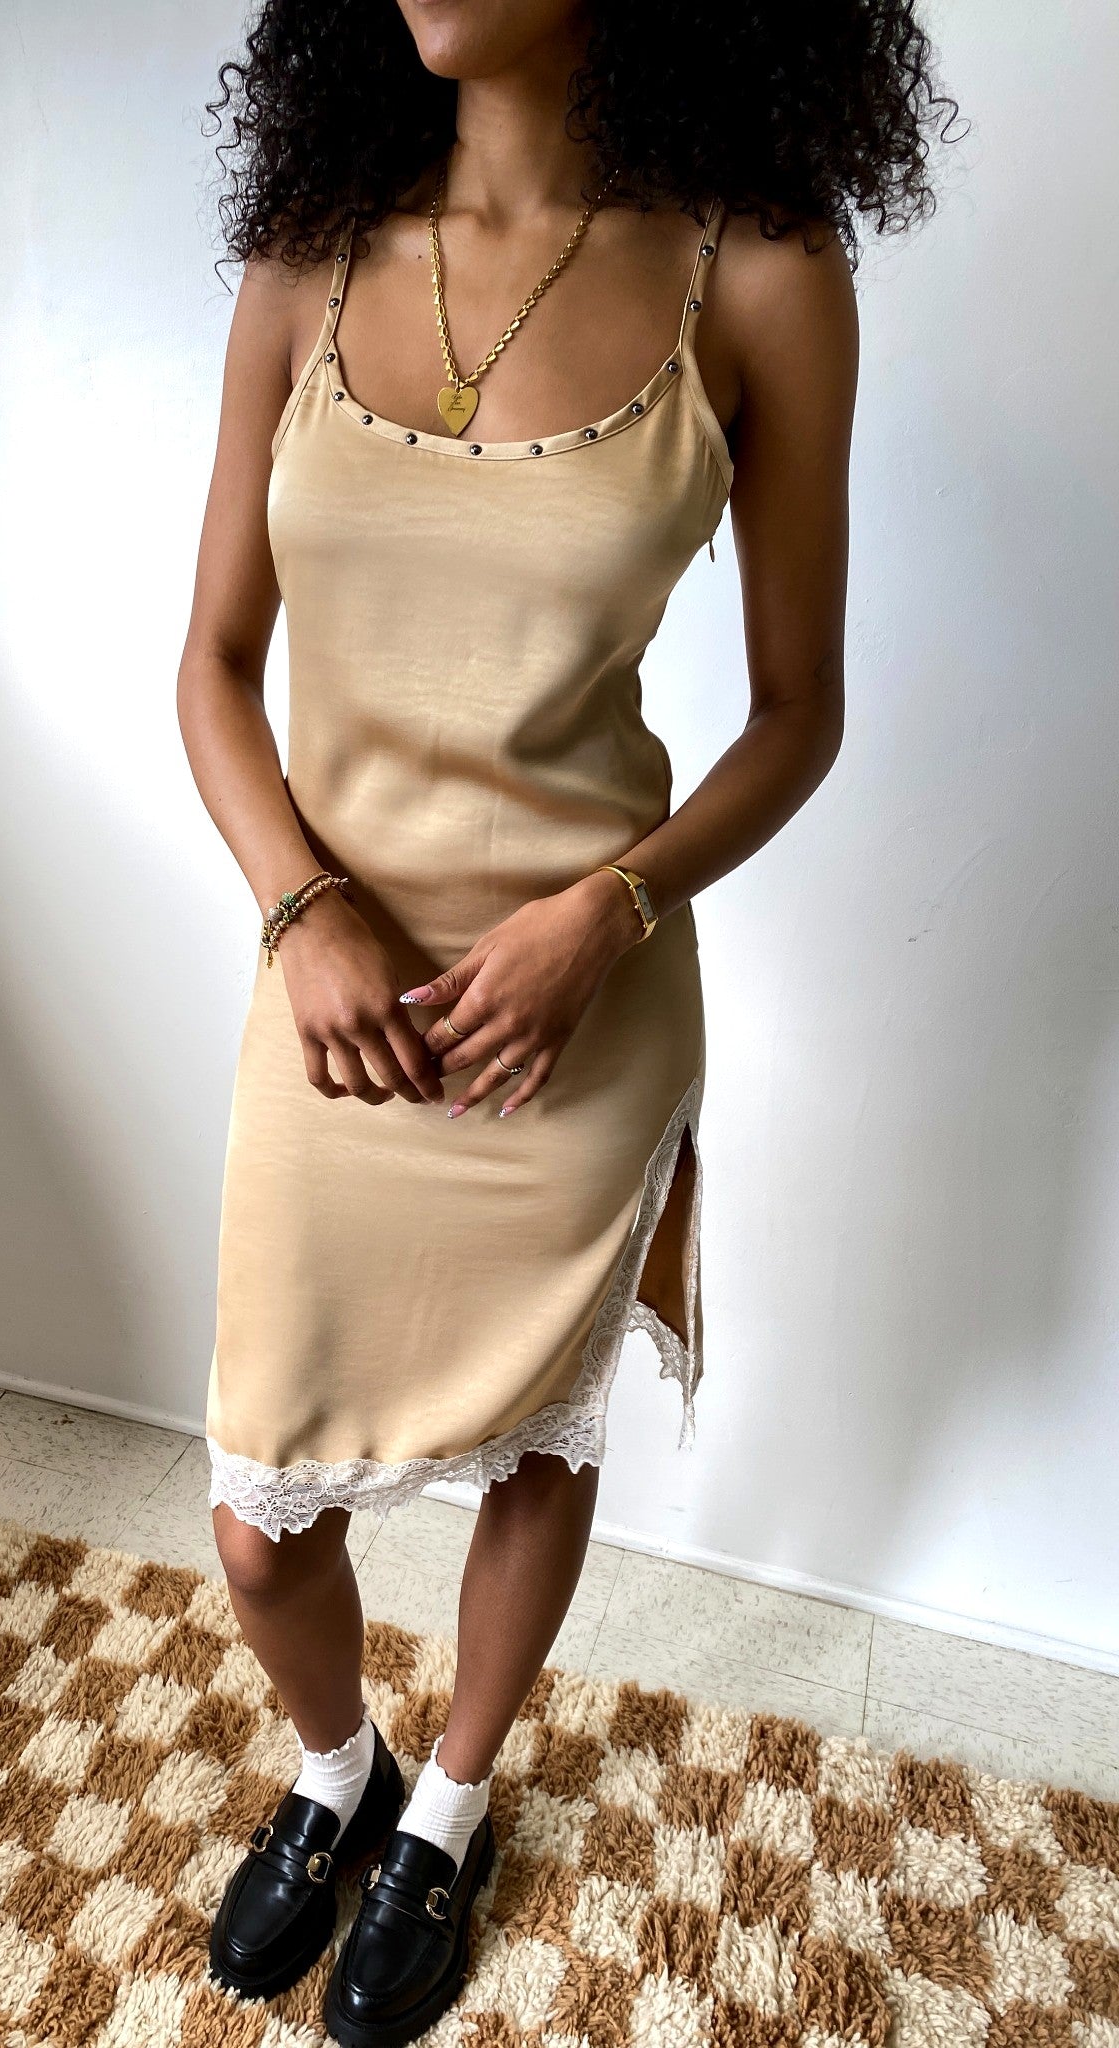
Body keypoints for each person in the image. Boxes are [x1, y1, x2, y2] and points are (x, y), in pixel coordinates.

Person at [175, 3, 957, 2039]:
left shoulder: (762, 273)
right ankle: (333, 1765)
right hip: (332, 991)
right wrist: (302, 906)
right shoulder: (309, 250)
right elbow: (211, 666)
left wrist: (608, 914)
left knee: (540, 1434)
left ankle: (445, 1804)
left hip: (575, 1007)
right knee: (264, 1523)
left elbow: (802, 713)